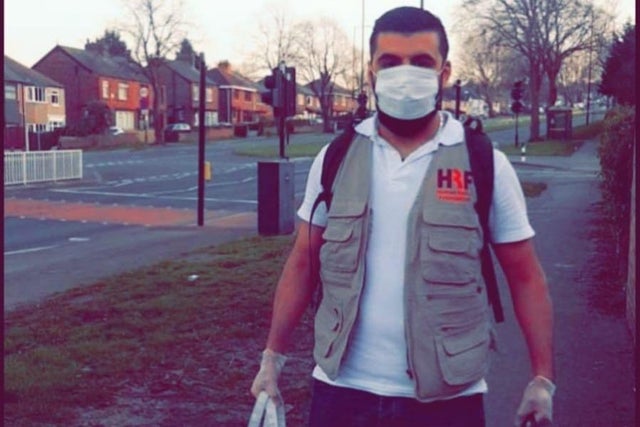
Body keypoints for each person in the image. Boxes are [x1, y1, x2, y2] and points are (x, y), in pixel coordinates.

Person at [250, 6, 554, 427]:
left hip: (448, 401)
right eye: (389, 62)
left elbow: (525, 276)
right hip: (340, 395)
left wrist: (542, 378)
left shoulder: (484, 163)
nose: (404, 74)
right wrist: (272, 360)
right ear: (371, 73)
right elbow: (303, 263)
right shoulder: (335, 159)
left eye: (422, 62)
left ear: (444, 73)